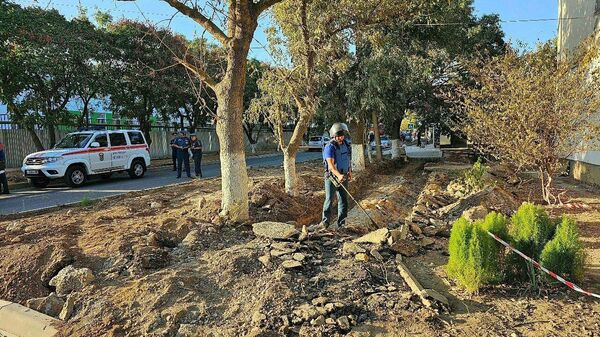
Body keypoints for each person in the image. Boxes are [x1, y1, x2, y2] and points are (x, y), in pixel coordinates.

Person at [320, 122, 352, 230]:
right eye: (339, 135)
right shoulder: (330, 147)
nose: (341, 137)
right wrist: (338, 175)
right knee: (329, 199)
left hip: (343, 175)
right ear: (334, 135)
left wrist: (349, 172)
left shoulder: (346, 145)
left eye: (342, 135)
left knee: (343, 199)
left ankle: (341, 222)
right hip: (332, 177)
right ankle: (325, 223)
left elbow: (348, 159)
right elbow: (330, 165)